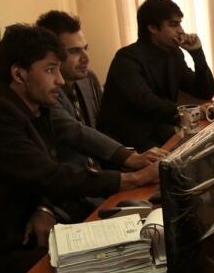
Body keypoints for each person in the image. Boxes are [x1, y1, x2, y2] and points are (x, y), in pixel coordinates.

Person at [0, 24, 160, 273]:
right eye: (49, 70)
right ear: (19, 73)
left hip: (29, 238)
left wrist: (43, 207)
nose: (60, 80)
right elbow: (50, 173)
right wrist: (133, 179)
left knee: (128, 256)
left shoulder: (33, 109)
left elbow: (35, 170)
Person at [35, 10, 166, 176]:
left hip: (103, 174)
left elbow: (102, 127)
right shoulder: (43, 91)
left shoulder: (88, 78)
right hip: (75, 185)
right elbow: (74, 132)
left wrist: (133, 159)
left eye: (85, 49)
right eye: (74, 51)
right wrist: (128, 158)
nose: (86, 58)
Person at [99, 0, 214, 149]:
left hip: (159, 131)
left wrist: (197, 54)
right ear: (152, 27)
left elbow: (204, 92)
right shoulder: (126, 58)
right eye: (173, 24)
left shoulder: (173, 54)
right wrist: (189, 111)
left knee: (207, 142)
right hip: (127, 141)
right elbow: (145, 101)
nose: (180, 30)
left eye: (180, 23)